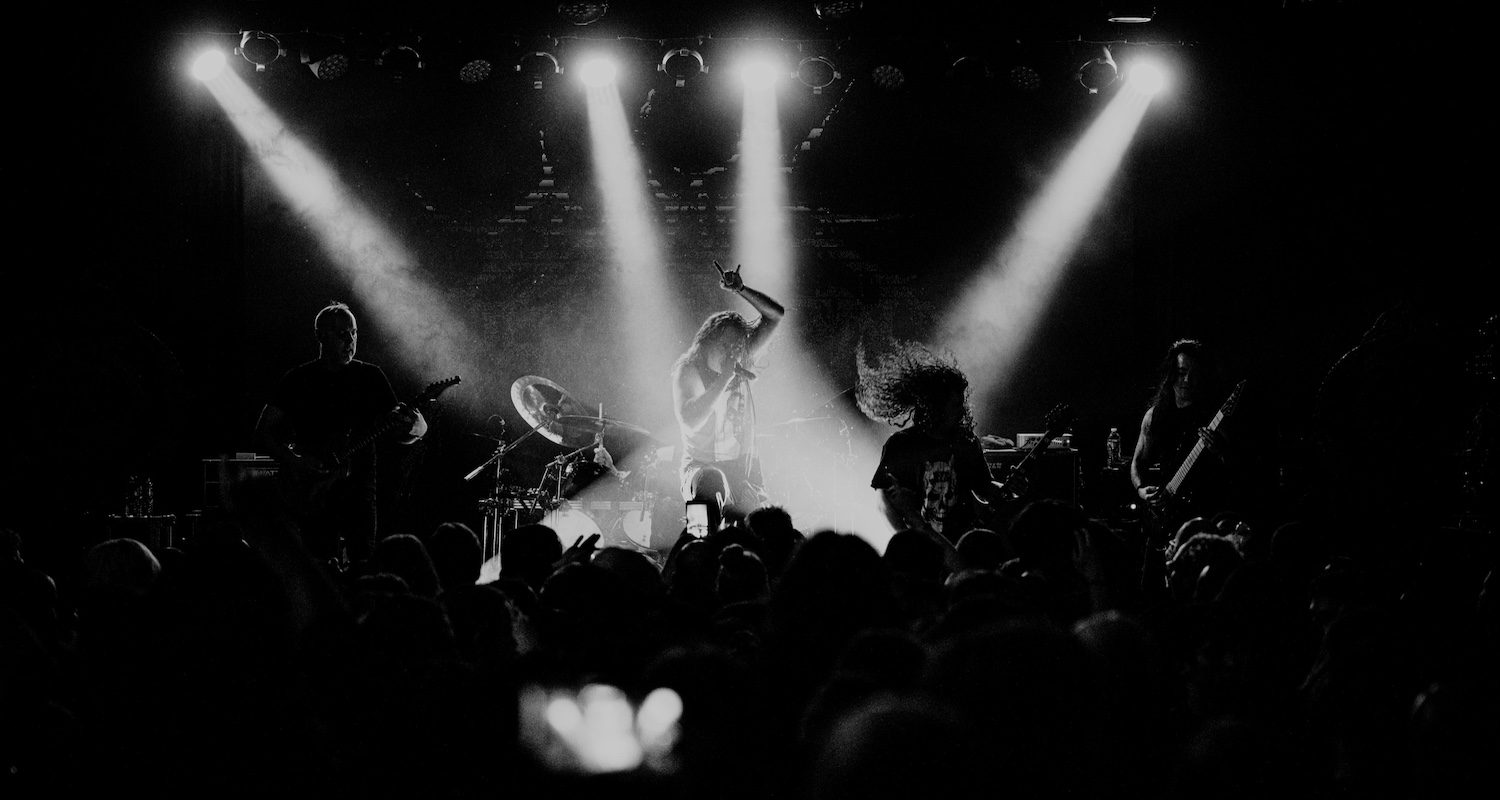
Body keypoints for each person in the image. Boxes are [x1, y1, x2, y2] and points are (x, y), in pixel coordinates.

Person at [254, 301, 426, 568]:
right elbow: (263, 431)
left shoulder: (370, 376)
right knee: (319, 565)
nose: (350, 340)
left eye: (354, 333)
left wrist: (417, 427)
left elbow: (399, 432)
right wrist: (297, 463)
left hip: (360, 489)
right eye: (342, 334)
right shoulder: (299, 378)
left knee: (363, 561)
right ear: (320, 336)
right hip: (314, 489)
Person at [857, 340, 1007, 562]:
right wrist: (907, 539)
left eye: (962, 403)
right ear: (935, 405)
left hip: (961, 547)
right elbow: (884, 502)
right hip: (919, 551)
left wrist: (1008, 489)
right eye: (955, 405)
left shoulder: (966, 442)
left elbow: (984, 488)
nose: (962, 411)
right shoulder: (901, 445)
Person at [672, 261, 785, 535]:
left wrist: (741, 290)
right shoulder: (690, 370)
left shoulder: (740, 357)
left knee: (765, 531)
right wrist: (724, 378)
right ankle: (697, 541)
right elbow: (691, 421)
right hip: (701, 470)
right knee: (712, 481)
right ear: (708, 342)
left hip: (743, 471)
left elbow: (775, 315)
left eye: (737, 345)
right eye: (726, 344)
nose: (733, 351)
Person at [1129, 338, 1240, 529]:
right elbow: (1137, 462)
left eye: (1194, 374)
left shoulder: (1215, 418)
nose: (1187, 380)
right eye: (1182, 373)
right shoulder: (1154, 416)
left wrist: (1221, 451)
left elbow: (1240, 470)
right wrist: (1141, 490)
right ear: (1171, 374)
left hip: (1205, 515)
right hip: (1165, 515)